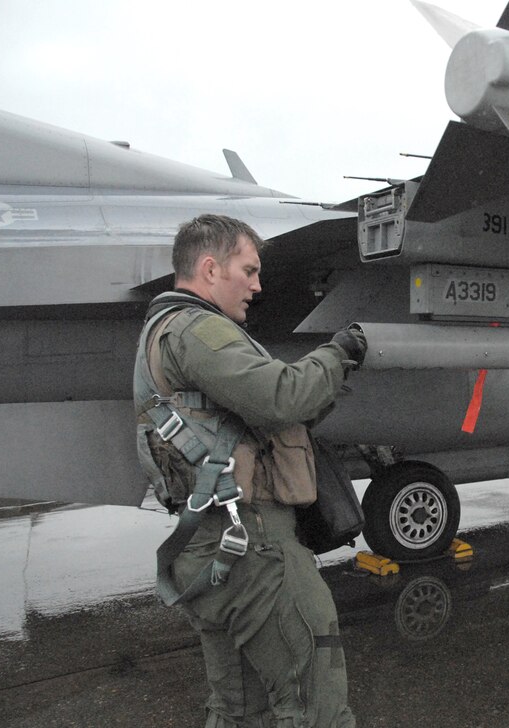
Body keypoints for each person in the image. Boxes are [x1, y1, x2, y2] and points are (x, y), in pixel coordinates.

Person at [133, 214, 362, 728]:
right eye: (249, 270)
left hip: (210, 550)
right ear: (211, 269)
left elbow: (265, 414)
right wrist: (339, 353)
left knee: (240, 712)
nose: (258, 286)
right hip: (255, 553)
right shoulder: (198, 328)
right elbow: (282, 396)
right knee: (314, 709)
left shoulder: (163, 330)